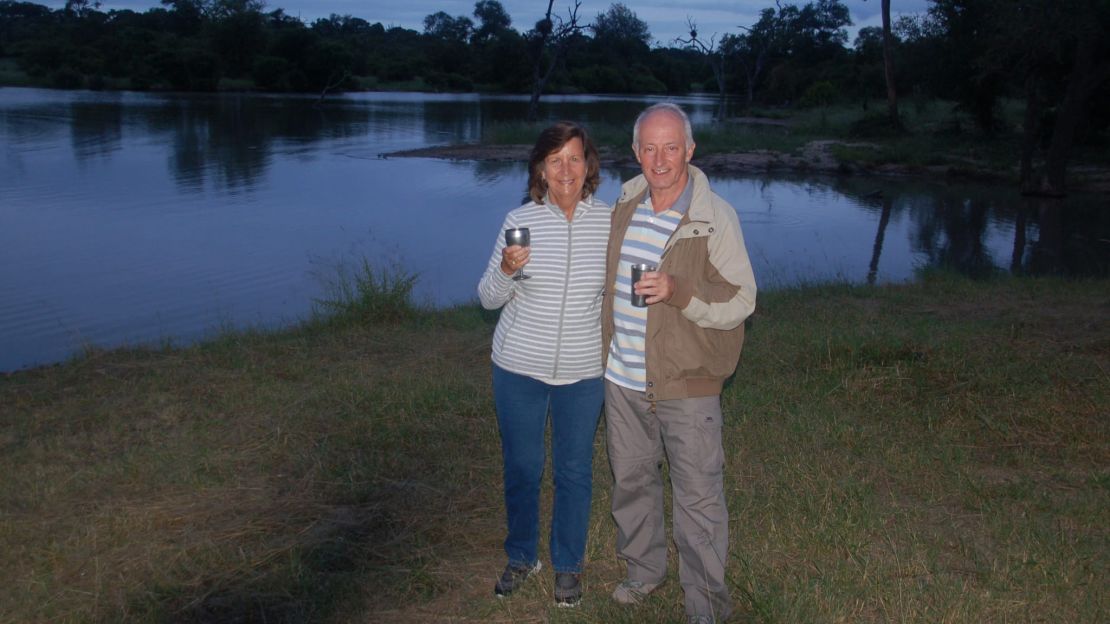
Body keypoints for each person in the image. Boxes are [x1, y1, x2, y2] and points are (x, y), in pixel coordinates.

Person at [602, 103, 757, 624]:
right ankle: (643, 572)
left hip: (687, 383)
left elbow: (742, 300)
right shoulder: (624, 202)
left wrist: (679, 292)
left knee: (698, 502)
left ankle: (707, 608)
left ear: (690, 151)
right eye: (649, 147)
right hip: (622, 377)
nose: (660, 159)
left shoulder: (715, 218)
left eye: (671, 147)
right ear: (635, 151)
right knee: (632, 482)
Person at [477, 121, 611, 608]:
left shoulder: (609, 221)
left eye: (574, 158)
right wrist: (507, 270)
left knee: (574, 471)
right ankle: (521, 555)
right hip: (518, 368)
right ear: (540, 168)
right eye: (555, 160)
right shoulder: (519, 218)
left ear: (588, 164)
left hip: (583, 370)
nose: (566, 169)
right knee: (523, 467)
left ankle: (568, 566)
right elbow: (488, 299)